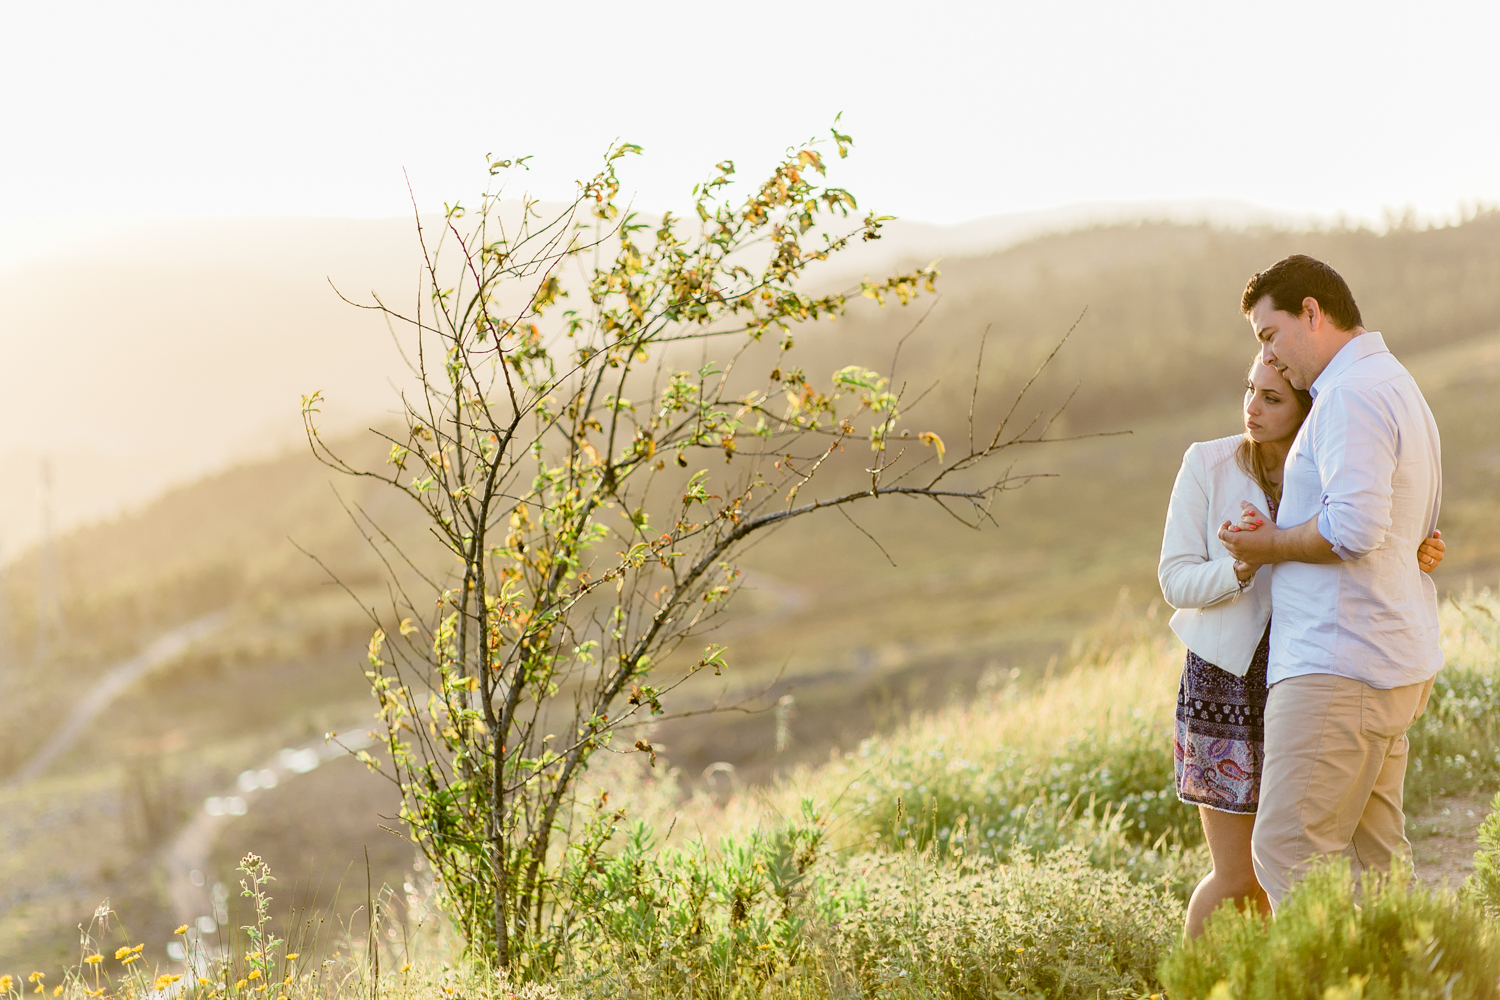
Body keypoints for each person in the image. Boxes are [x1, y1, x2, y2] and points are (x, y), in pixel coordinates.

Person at [1159, 351, 1445, 937]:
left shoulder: (1330, 463)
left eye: (1272, 398)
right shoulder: (1207, 462)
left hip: (1316, 674)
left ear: (1306, 407)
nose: (1252, 408)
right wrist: (1240, 567)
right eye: (1250, 390)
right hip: (1229, 689)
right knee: (1240, 875)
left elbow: (1360, 538)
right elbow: (1173, 579)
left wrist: (1414, 553)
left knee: (1294, 865)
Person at [1218, 254, 1445, 912]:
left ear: (1312, 313)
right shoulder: (1391, 380)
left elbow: (1353, 530)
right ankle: (1402, 979)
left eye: (1270, 335)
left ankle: (1323, 984)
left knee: (1289, 852)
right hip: (1385, 661)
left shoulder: (1350, 394)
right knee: (1379, 860)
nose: (1272, 356)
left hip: (1339, 669)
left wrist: (1264, 546)